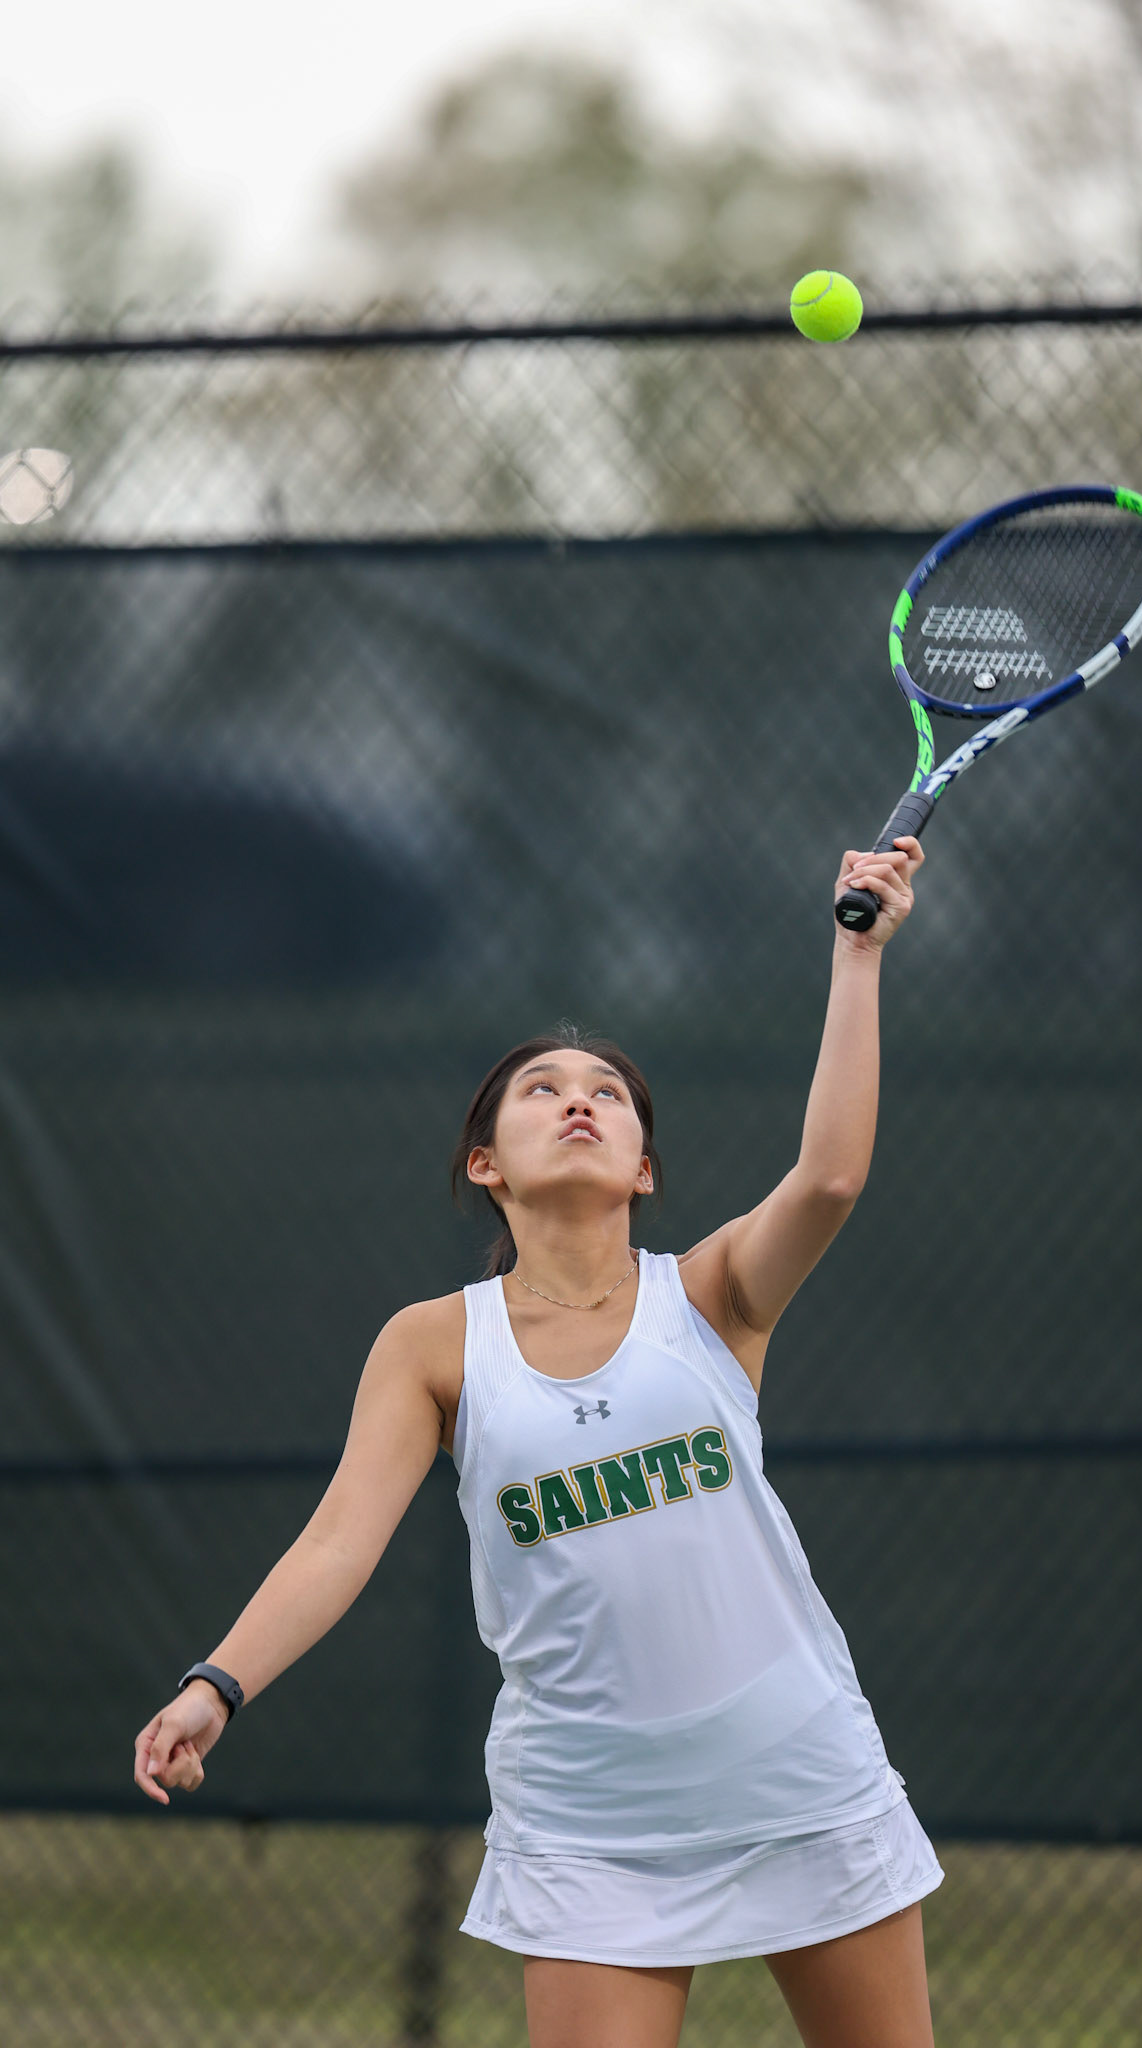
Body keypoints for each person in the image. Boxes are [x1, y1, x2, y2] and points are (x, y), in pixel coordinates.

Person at [134, 833, 938, 2048]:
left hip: (799, 1772)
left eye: (608, 1091)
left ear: (644, 1168)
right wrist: (218, 1683)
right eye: (542, 1087)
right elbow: (337, 1545)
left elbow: (827, 1179)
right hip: (589, 1818)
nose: (578, 1097)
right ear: (485, 1162)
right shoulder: (432, 1344)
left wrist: (858, 957)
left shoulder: (713, 1293)